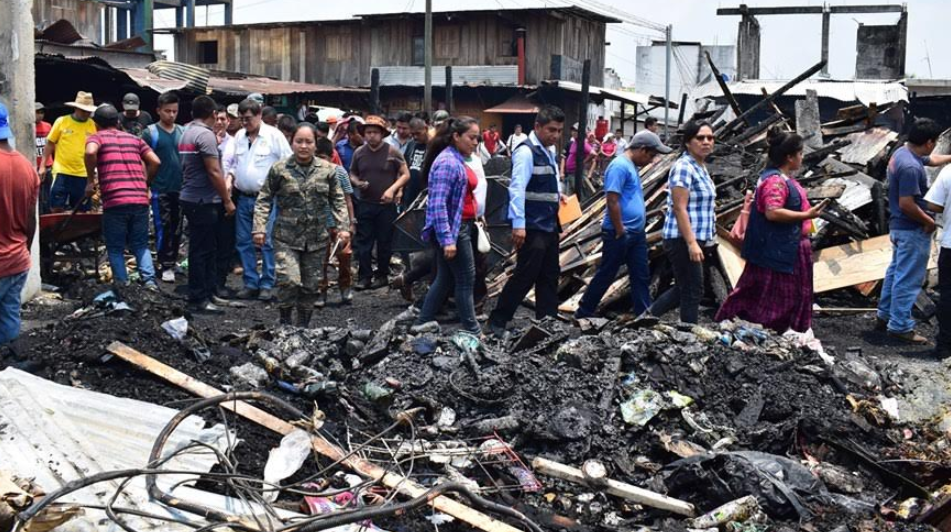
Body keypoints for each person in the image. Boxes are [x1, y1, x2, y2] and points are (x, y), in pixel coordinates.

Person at [716, 131, 828, 333]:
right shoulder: (774, 181)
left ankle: (779, 332)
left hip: (786, 247)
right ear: (789, 157)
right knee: (773, 296)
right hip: (777, 251)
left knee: (783, 294)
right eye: (800, 154)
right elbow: (772, 212)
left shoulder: (783, 179)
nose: (802, 158)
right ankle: (760, 331)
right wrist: (806, 215)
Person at [253, 123, 350, 327]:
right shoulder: (279, 169)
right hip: (286, 237)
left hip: (316, 238)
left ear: (315, 144)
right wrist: (260, 228)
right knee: (289, 280)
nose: (303, 146)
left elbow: (338, 200)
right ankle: (285, 322)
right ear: (292, 142)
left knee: (310, 286)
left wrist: (343, 228)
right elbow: (264, 198)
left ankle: (303, 328)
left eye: (308, 142)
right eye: (299, 141)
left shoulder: (328, 171)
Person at [575, 131, 672, 319]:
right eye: (651, 155)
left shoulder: (631, 166)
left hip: (635, 233)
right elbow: (612, 200)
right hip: (619, 232)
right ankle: (584, 311)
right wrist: (620, 229)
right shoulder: (619, 166)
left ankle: (644, 315)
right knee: (607, 273)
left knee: (640, 274)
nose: (651, 161)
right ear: (642, 149)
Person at [488, 105, 566, 336]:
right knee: (526, 273)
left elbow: (545, 183)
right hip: (532, 225)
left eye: (559, 131)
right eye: (551, 130)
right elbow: (517, 189)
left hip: (548, 223)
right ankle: (497, 321)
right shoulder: (526, 151)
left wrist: (557, 196)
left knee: (550, 273)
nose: (556, 135)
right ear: (538, 127)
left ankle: (547, 321)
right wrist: (518, 224)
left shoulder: (548, 151)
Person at [876, 118, 951, 343]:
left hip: (899, 227)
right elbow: (907, 203)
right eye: (935, 142)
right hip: (911, 227)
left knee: (895, 273)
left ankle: (885, 315)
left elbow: (932, 160)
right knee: (908, 279)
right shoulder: (910, 167)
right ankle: (900, 326)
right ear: (929, 142)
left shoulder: (903, 153)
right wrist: (928, 222)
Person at [413, 117, 483, 335]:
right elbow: (437, 204)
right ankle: (472, 329)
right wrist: (447, 239)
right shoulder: (447, 163)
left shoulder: (456, 159)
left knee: (445, 278)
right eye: (471, 138)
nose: (475, 143)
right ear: (456, 136)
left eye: (477, 138)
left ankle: (422, 322)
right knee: (465, 279)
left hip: (460, 227)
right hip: (454, 230)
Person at [84, 104, 161, 289]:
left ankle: (123, 285)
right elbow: (156, 161)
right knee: (141, 245)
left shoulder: (97, 137)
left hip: (115, 201)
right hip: (139, 200)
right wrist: (145, 183)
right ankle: (149, 282)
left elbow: (90, 152)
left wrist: (89, 181)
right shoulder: (134, 139)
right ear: (118, 122)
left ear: (96, 124)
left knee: (115, 247)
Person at [648, 121, 716, 324]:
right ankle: (688, 332)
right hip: (682, 239)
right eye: (700, 138)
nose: (706, 142)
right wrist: (691, 242)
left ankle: (646, 319)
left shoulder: (700, 167)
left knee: (684, 288)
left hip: (695, 238)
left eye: (710, 138)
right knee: (693, 289)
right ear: (688, 142)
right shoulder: (684, 167)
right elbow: (679, 207)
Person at [224, 98, 293, 301]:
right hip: (244, 197)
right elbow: (236, 163)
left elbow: (288, 162)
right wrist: (230, 178)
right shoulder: (239, 136)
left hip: (268, 199)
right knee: (243, 241)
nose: (245, 123)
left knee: (268, 242)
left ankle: (267, 283)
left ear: (259, 115)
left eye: (248, 119)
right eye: (242, 119)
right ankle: (250, 282)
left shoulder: (273, 136)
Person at [179, 95, 236, 314]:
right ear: (213, 114)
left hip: (191, 196)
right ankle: (199, 298)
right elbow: (214, 171)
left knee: (206, 248)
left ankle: (208, 291)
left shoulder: (186, 131)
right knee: (202, 250)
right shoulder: (205, 135)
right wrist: (227, 200)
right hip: (203, 199)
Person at [349, 115, 410, 290]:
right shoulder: (359, 152)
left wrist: (393, 189)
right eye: (368, 132)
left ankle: (382, 275)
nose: (371, 136)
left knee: (384, 242)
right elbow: (352, 173)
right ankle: (364, 276)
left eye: (375, 132)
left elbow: (405, 174)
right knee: (364, 243)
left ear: (382, 134)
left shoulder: (392, 152)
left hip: (386, 205)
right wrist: (357, 183)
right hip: (365, 203)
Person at [0, 103, 39, 345]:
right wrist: (25, 250)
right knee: (9, 317)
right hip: (17, 260)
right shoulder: (26, 167)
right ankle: (8, 370)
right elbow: (30, 220)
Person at [142, 91, 185, 283]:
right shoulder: (150, 132)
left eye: (175, 111)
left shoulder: (182, 132)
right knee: (163, 226)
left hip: (180, 187)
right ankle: (164, 263)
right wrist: (146, 185)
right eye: (168, 111)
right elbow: (143, 160)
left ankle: (172, 260)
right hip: (160, 188)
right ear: (158, 110)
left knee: (177, 227)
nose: (171, 115)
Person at [315, 137, 356, 306]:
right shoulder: (311, 173)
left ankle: (345, 287)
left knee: (344, 257)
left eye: (323, 157)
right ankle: (320, 292)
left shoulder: (340, 172)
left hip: (340, 223)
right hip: (319, 222)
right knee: (319, 260)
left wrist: (351, 222)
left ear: (331, 156)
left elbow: (348, 200)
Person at [42, 91, 98, 212]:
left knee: (82, 210)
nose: (86, 113)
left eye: (88, 111)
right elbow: (50, 143)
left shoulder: (93, 125)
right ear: (76, 108)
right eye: (83, 110)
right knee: (56, 206)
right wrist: (42, 165)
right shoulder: (62, 121)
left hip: (83, 174)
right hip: (62, 171)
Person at [924, 163, 951, 358]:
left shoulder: (949, 171)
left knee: (948, 297)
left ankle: (945, 347)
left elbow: (932, 204)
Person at [35, 102, 53, 213]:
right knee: (36, 193)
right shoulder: (27, 127)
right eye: (37, 112)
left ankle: (46, 215)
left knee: (47, 193)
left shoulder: (48, 126)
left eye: (42, 112)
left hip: (48, 165)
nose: (40, 115)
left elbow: (52, 144)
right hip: (34, 165)